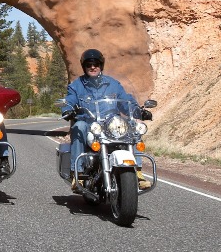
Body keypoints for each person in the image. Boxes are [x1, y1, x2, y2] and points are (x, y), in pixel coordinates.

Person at [60, 48, 152, 191]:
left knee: (132, 127)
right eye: (89, 64)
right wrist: (68, 109)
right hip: (91, 125)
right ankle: (77, 174)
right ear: (84, 67)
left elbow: (125, 100)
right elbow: (70, 99)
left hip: (111, 125)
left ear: (101, 65)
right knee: (79, 126)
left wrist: (138, 112)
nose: (92, 67)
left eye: (95, 64)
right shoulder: (76, 86)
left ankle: (137, 171)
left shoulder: (113, 84)